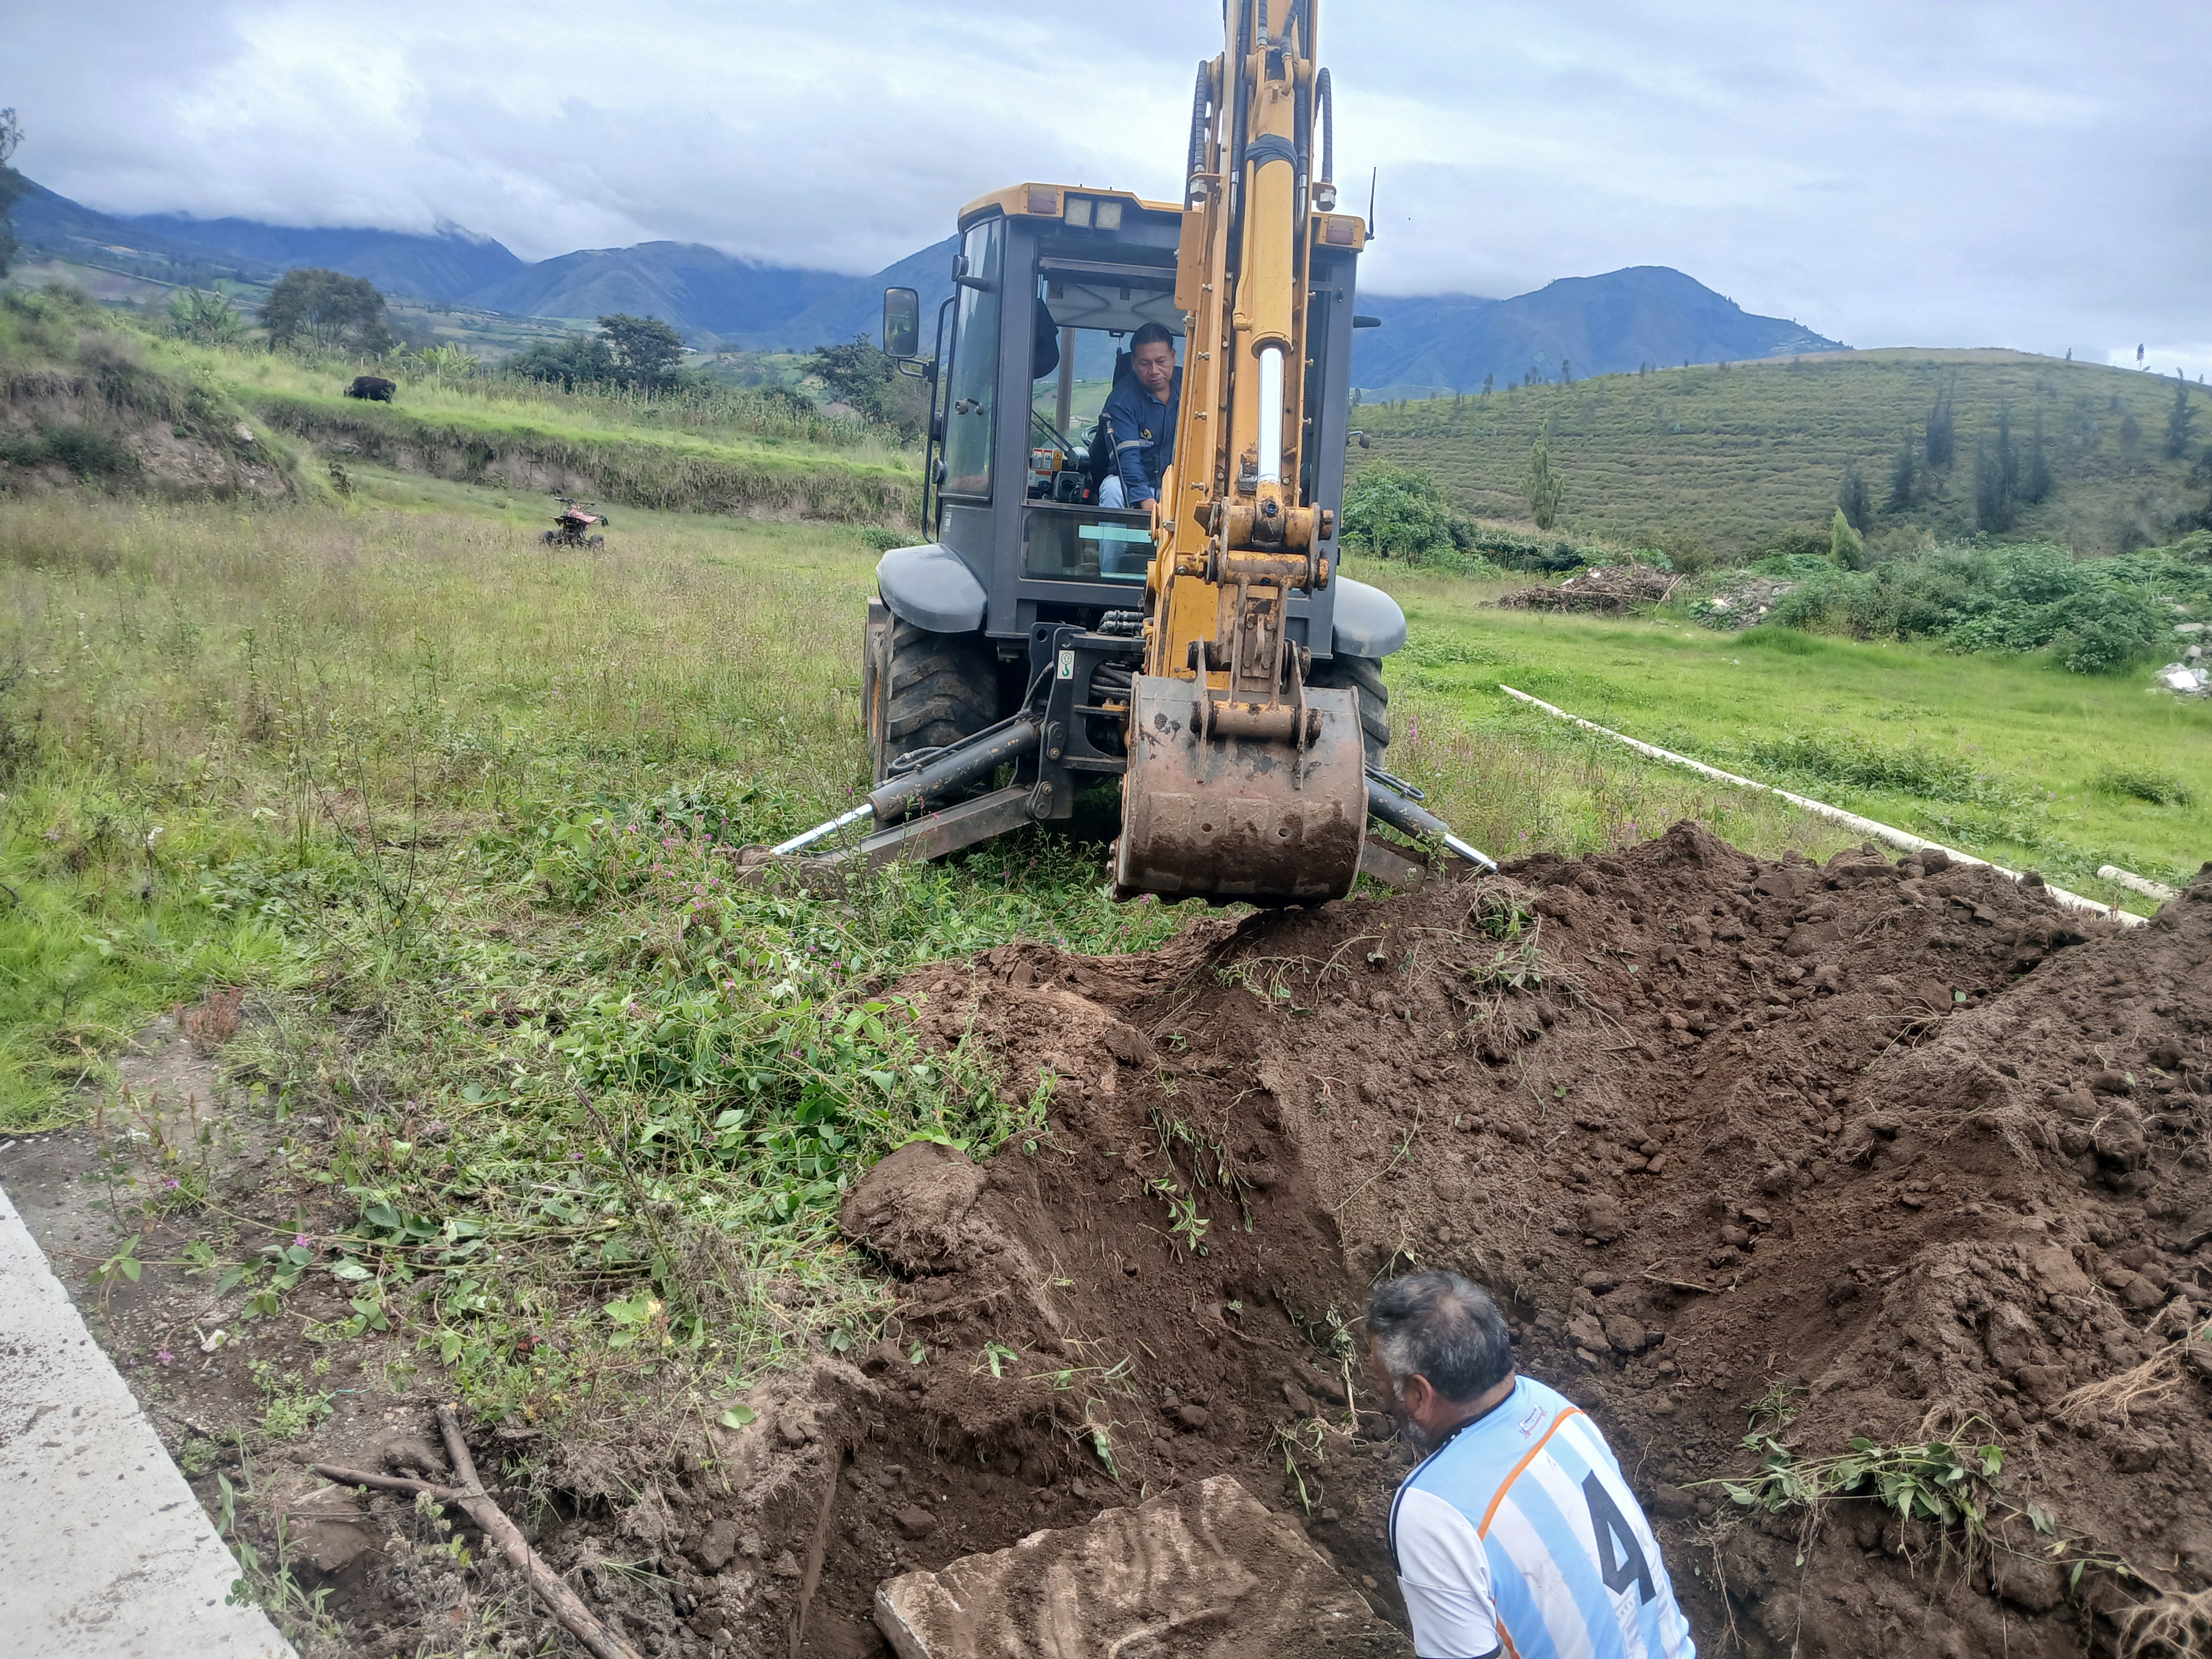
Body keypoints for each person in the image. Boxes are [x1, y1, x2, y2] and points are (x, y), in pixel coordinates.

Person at [1366, 1270, 1696, 1659]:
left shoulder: (1432, 1511)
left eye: (1383, 1381)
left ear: (1419, 1393)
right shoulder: (1556, 1409)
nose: (1381, 1392)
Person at [1097, 323, 1180, 510]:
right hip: (1138, 484)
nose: (1154, 371)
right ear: (1133, 362)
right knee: (1112, 489)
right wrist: (1146, 500)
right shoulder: (1121, 401)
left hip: (1182, 486)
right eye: (1145, 364)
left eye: (1161, 361)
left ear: (1173, 357)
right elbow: (1127, 457)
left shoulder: (1195, 386)